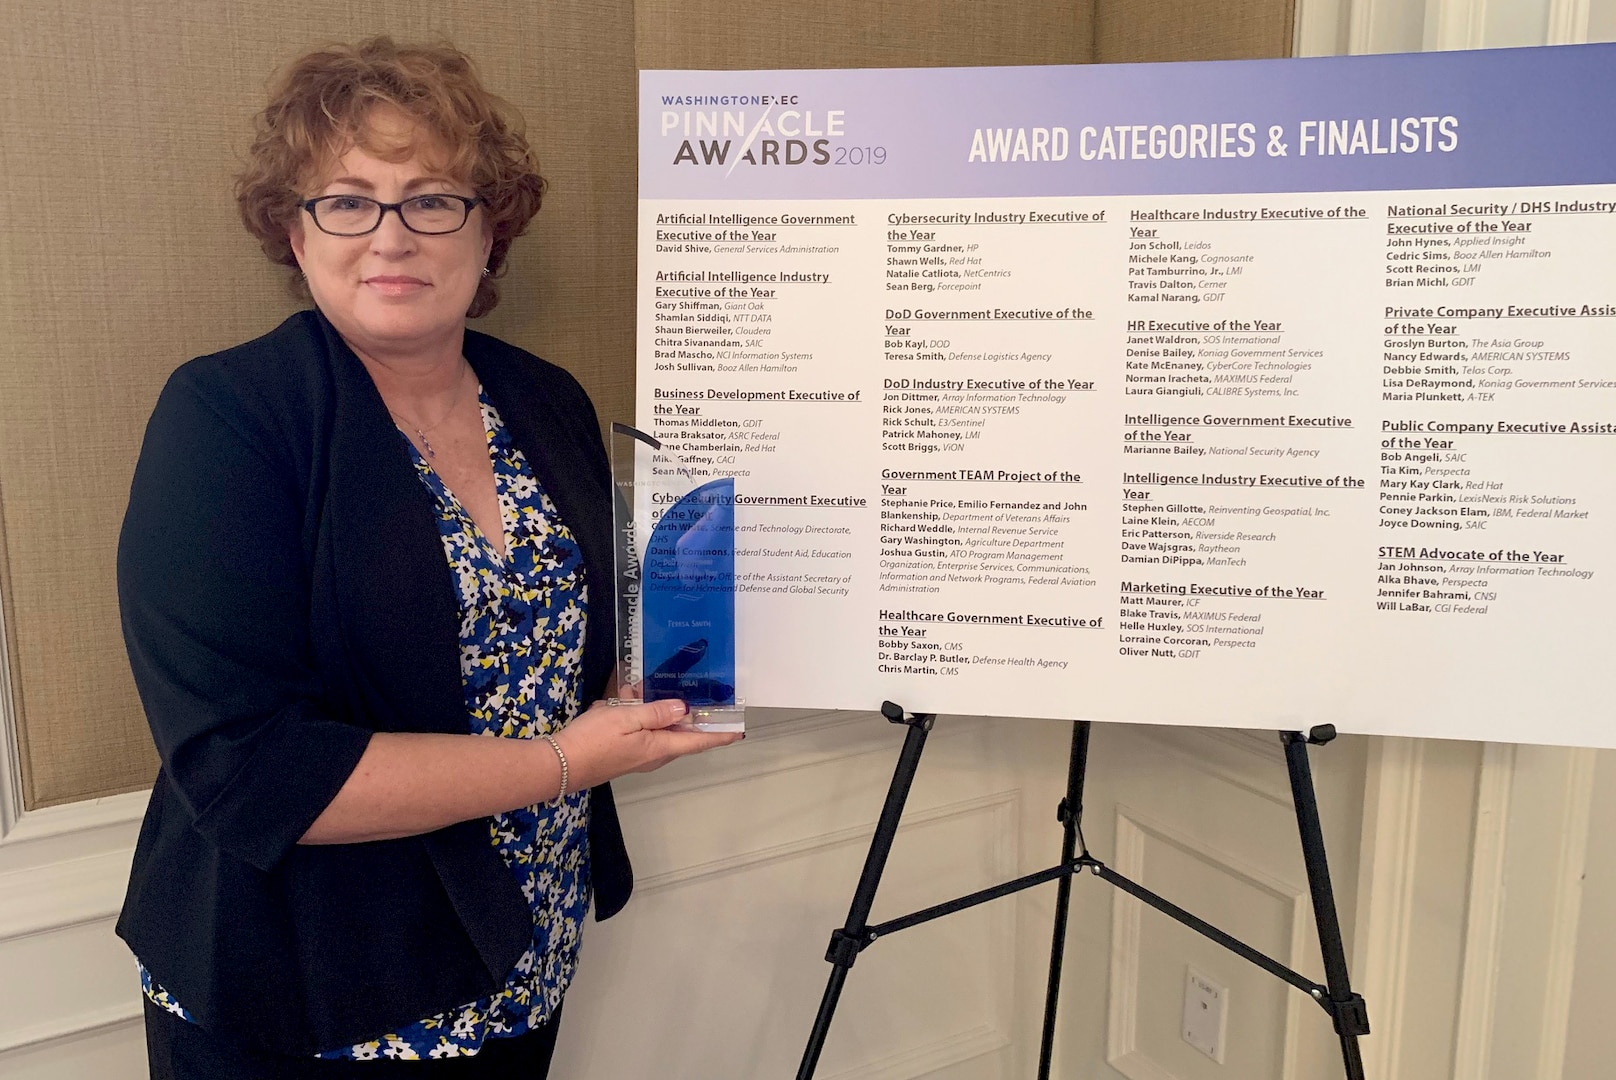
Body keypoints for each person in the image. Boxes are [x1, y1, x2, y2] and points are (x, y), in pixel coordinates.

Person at [115, 37, 741, 1079]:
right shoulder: (227, 417)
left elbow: (555, 639)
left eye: (432, 198)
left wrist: (668, 664)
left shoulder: (544, 397)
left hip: (519, 946)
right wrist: (568, 763)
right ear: (293, 229)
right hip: (309, 984)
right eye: (346, 200)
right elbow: (252, 772)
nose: (390, 236)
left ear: (489, 226)